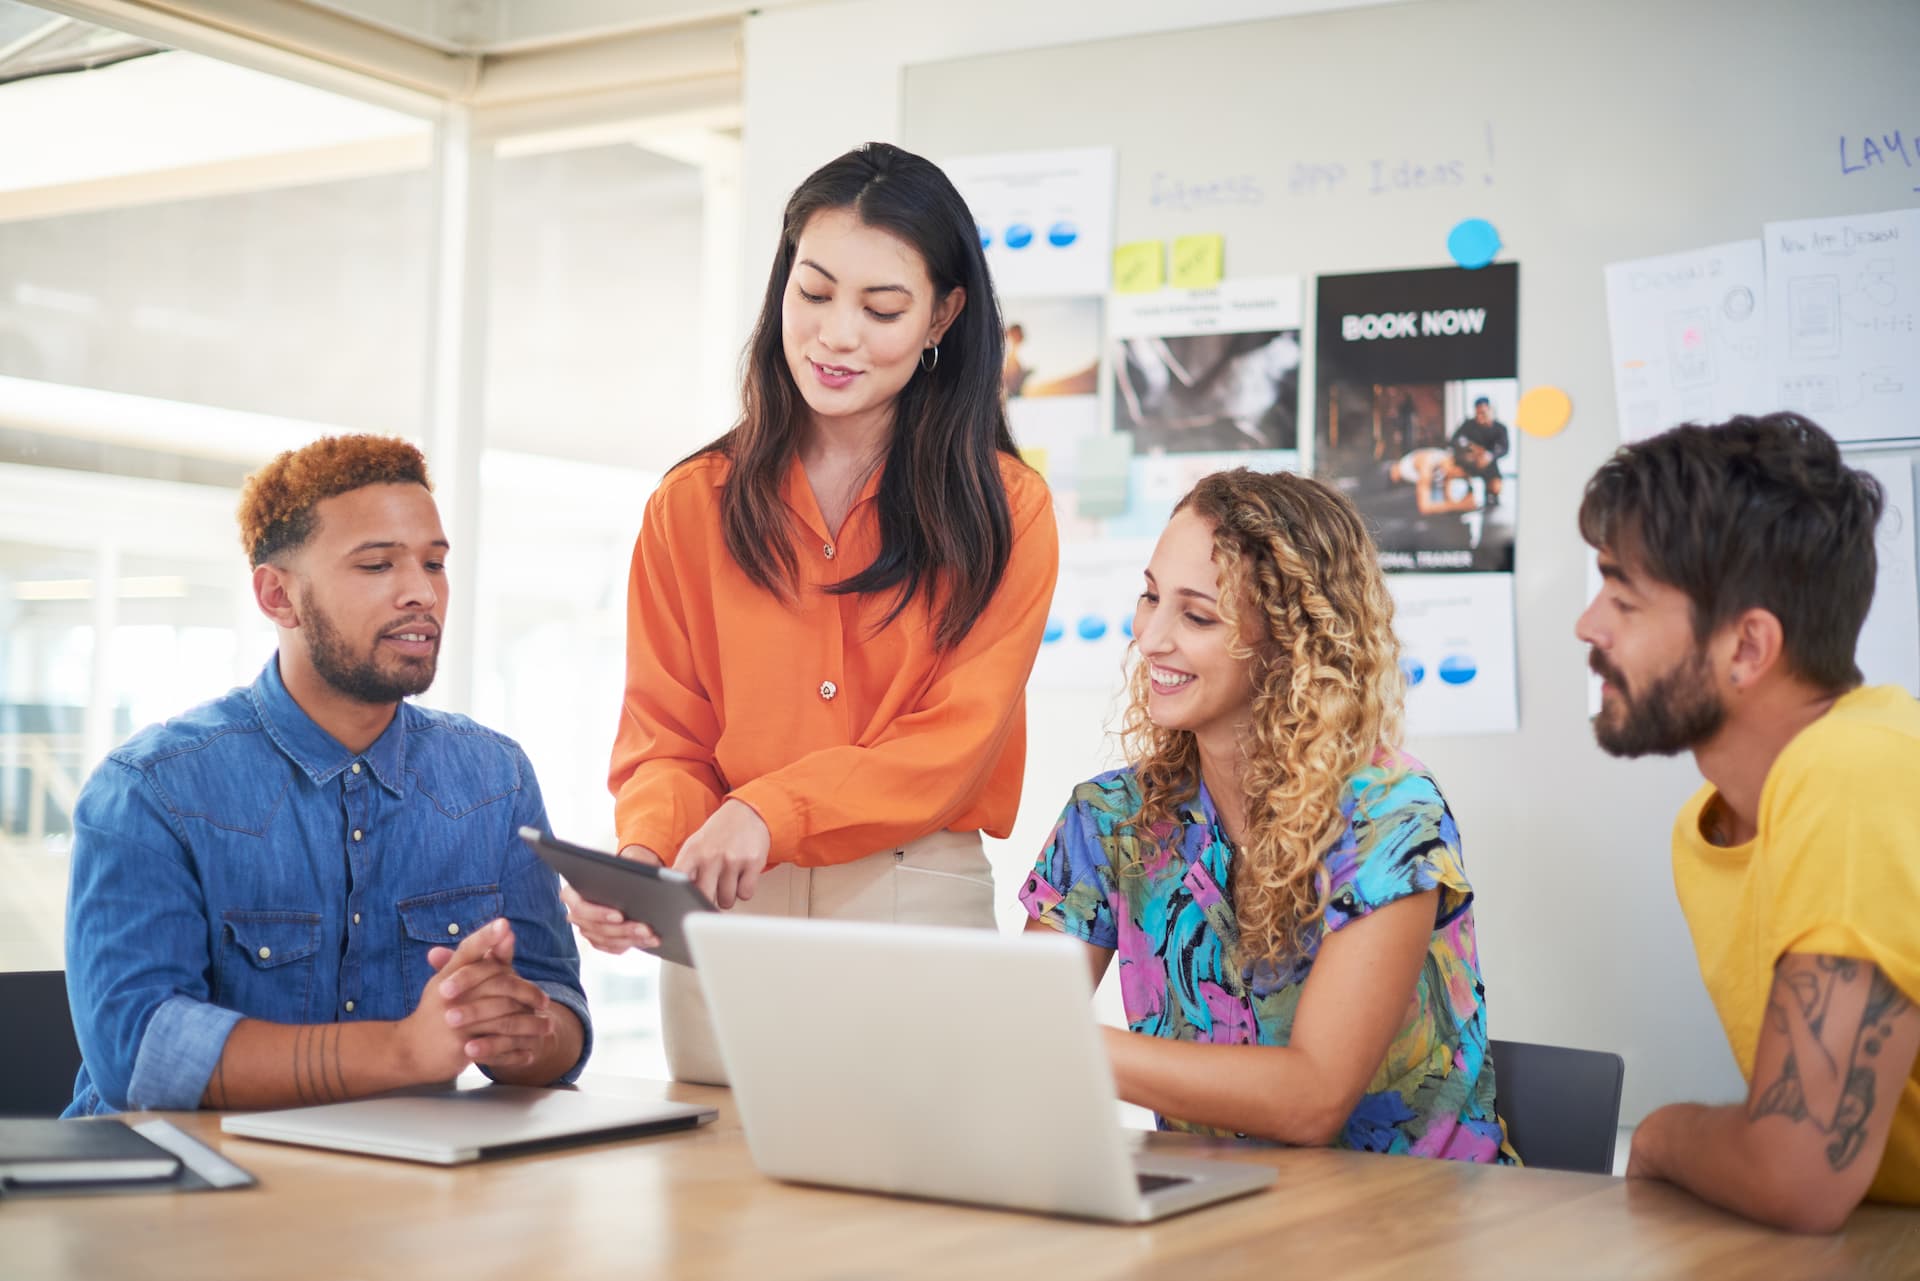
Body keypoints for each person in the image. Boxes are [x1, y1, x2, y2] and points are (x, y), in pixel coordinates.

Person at [570, 142, 1059, 1084]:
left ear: (943, 318)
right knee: (714, 1210)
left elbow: (949, 743)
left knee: (918, 1204)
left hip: (910, 896)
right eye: (813, 292)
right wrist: (639, 860)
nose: (836, 335)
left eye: (881, 309)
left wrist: (770, 808)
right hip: (724, 907)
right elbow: (668, 738)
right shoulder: (690, 503)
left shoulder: (1006, 510)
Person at [64, 436, 589, 1115]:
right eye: (377, 565)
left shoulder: (496, 777)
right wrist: (404, 1048)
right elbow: (138, 1052)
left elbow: (561, 1014)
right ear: (277, 595)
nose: (422, 593)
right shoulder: (149, 789)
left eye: (435, 563)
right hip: (177, 1195)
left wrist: (519, 1031)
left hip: (400, 1189)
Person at [1020, 468, 1513, 1159]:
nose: (1150, 637)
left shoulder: (1388, 816)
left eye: (1196, 615)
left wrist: (1057, 1040)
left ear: (1290, 642)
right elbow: (1018, 1033)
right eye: (1150, 596)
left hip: (1410, 1228)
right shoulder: (1108, 819)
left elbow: (1311, 1097)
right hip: (1217, 1217)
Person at [1576, 412, 1920, 1232]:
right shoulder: (1715, 824)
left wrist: (1657, 1136)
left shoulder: (1857, 769)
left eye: (1622, 597)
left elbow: (1795, 1175)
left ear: (1747, 648)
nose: (1588, 625)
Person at [1449, 396, 1509, 507]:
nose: (1480, 416)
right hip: (1469, 462)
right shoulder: (1468, 424)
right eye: (1478, 413)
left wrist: (1489, 456)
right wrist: (1470, 448)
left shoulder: (1500, 428)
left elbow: (1504, 448)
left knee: (1496, 488)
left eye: (1483, 412)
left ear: (1490, 410)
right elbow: (1454, 440)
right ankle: (1467, 493)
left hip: (1489, 464)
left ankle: (1491, 495)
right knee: (1455, 472)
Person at [1383, 446, 1480, 515]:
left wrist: (1464, 503)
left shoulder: (1447, 464)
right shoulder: (1428, 465)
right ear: (1456, 468)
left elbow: (1448, 498)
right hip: (1386, 477)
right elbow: (1424, 508)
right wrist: (1460, 506)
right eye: (1459, 476)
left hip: (1404, 484)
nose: (1456, 478)